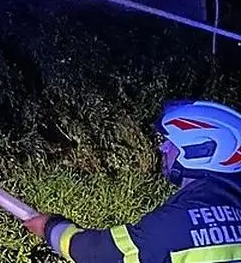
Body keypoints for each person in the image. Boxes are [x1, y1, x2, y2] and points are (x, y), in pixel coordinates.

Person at [25, 99, 241, 263]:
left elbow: (99, 254)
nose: (162, 149)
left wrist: (49, 226)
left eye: (169, 142)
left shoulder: (172, 224)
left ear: (202, 148)